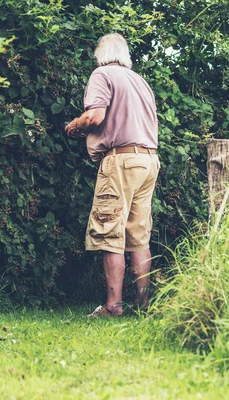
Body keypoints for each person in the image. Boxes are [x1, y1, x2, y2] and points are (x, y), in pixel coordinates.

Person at [65, 33, 159, 318]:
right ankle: (143, 306)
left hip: (120, 161)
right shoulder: (139, 81)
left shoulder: (102, 73)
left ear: (101, 54)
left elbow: (95, 116)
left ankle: (113, 306)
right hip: (148, 159)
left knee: (110, 232)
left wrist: (74, 125)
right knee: (139, 237)